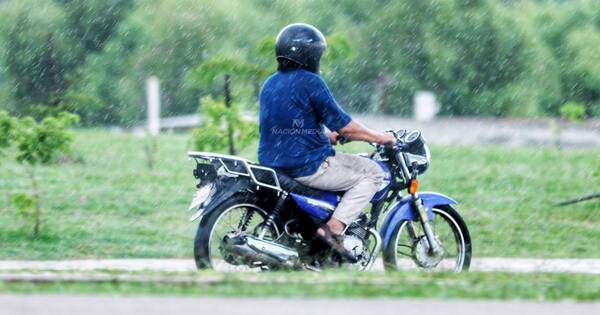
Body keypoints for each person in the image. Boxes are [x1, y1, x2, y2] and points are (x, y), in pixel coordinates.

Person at [258, 23, 396, 258]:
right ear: (310, 55)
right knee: (373, 173)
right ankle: (335, 229)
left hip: (273, 164)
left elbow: (287, 126)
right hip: (306, 166)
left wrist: (326, 138)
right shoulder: (311, 82)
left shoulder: (270, 83)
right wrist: (381, 138)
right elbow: (345, 126)